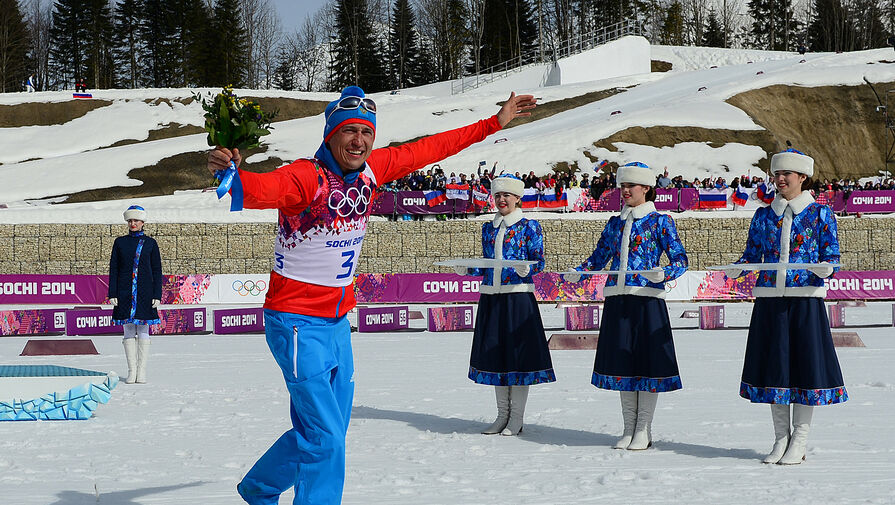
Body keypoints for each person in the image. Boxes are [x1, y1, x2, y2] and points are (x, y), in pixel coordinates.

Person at [206, 86, 536, 505]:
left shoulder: (373, 170)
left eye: (366, 131)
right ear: (330, 134)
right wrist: (232, 174)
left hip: (338, 322)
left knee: (327, 431)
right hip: (295, 324)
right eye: (349, 131)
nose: (359, 140)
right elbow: (263, 187)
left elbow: (431, 148)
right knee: (325, 438)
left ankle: (259, 487)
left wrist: (496, 121)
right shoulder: (306, 177)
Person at [727, 148, 846, 465]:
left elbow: (831, 257)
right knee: (775, 369)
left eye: (786, 175)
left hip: (805, 300)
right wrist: (738, 267)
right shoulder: (763, 215)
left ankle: (800, 440)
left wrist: (826, 268)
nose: (779, 179)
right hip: (770, 301)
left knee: (805, 369)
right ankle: (781, 439)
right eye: (776, 174)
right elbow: (752, 254)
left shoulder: (821, 214)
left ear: (802, 177)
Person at [565, 162, 688, 450]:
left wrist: (663, 274)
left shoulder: (661, 221)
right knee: (623, 362)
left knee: (646, 364)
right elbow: (599, 258)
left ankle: (643, 428)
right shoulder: (614, 223)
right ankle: (627, 427)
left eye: (630, 186)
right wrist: (579, 271)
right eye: (622, 186)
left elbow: (680, 261)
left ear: (646, 188)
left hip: (647, 299)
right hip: (618, 298)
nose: (625, 191)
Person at [456, 175, 555, 436]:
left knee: (518, 359)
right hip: (492, 297)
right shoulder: (488, 228)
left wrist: (526, 269)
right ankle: (502, 415)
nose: (502, 200)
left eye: (507, 196)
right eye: (498, 195)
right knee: (498, 356)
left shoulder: (528, 227)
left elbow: (539, 262)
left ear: (517, 198)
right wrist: (469, 268)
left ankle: (516, 418)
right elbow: (489, 263)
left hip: (518, 297)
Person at [108, 205, 162, 384]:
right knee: (129, 330)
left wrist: (157, 294)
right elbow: (114, 269)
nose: (133, 223)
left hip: (145, 291)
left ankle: (142, 371)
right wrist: (113, 292)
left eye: (136, 221)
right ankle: (132, 371)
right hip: (124, 292)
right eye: (130, 221)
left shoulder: (150, 243)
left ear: (142, 222)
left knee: (144, 329)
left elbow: (156, 270)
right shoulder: (120, 242)